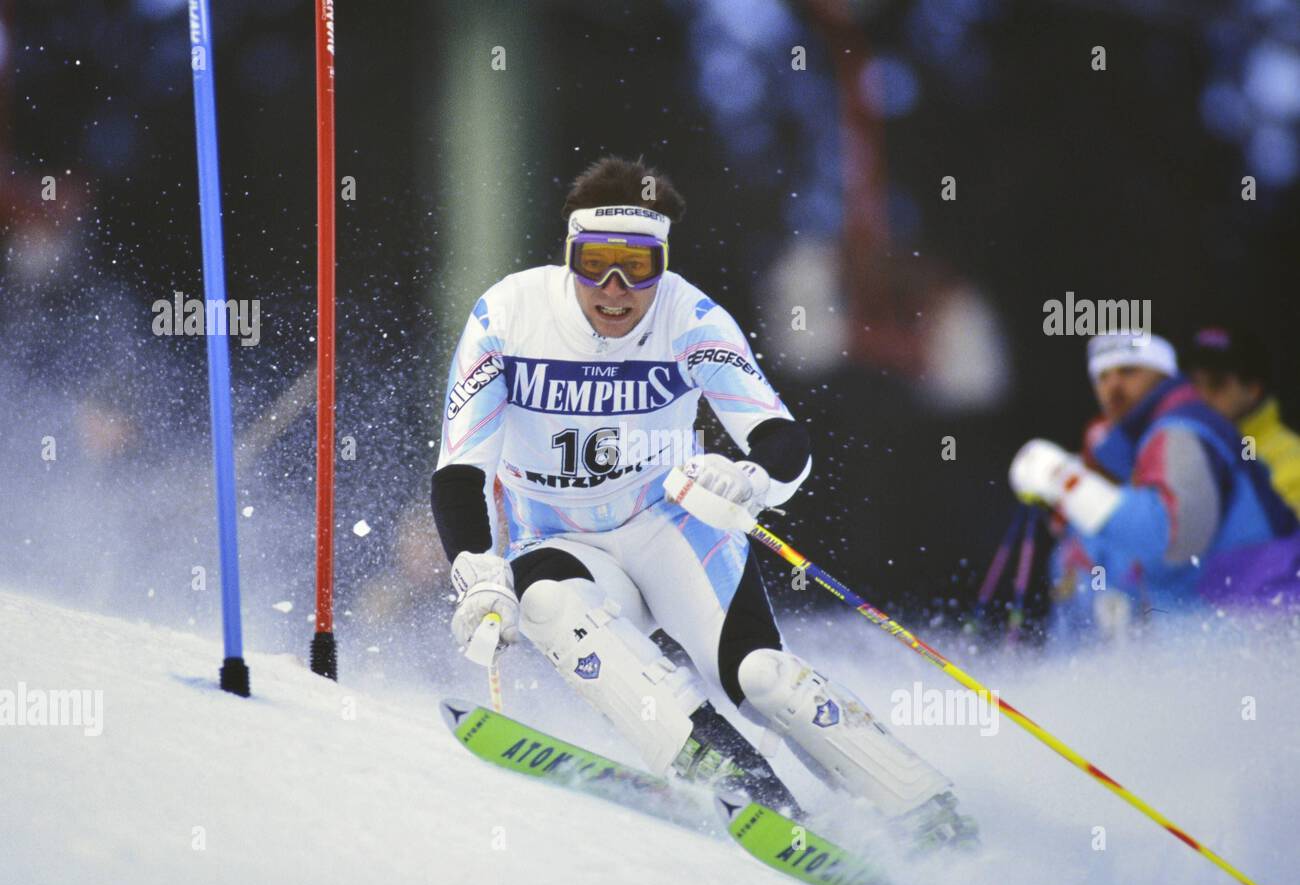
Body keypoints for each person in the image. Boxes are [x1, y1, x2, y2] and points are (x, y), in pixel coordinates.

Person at [431, 156, 975, 848]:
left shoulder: (690, 318)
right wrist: (478, 574)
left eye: (641, 265)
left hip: (675, 534)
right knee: (545, 604)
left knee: (761, 677)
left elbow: (782, 439)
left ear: (664, 264)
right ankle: (733, 775)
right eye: (596, 261)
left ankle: (929, 812)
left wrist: (747, 481)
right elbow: (459, 469)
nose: (617, 288)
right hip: (563, 544)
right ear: (569, 256)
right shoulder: (507, 317)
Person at [1010, 332, 1299, 626]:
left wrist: (1065, 481)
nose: (1114, 386)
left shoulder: (1183, 431)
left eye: (1129, 371)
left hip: (1260, 632)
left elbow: (1173, 538)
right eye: (1102, 377)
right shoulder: (1141, 444)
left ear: (1164, 374)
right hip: (1232, 635)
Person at [1185, 326, 1300, 518]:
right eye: (1194, 383)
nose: (1201, 396)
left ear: (1253, 389)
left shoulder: (1292, 460)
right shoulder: (1182, 449)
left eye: (1216, 383)